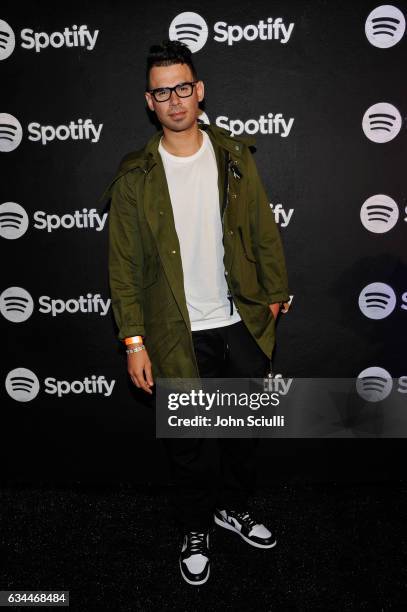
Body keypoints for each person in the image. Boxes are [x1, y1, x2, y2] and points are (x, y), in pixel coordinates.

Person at [104, 40, 290, 586]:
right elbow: (123, 262)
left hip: (239, 324)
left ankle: (232, 509)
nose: (175, 100)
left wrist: (275, 295)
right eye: (163, 92)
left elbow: (262, 229)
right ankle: (194, 527)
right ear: (150, 101)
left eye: (183, 87)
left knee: (241, 435)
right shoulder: (135, 174)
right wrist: (134, 341)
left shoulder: (233, 155)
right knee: (187, 445)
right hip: (173, 333)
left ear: (199, 90)